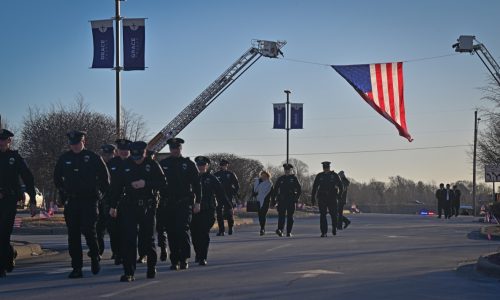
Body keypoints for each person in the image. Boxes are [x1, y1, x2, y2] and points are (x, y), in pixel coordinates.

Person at [54, 130, 110, 278]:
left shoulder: (93, 157)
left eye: (77, 143)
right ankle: (76, 267)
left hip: (89, 200)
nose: (75, 146)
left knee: (89, 231)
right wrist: (63, 192)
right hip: (72, 201)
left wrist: (99, 195)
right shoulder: (65, 158)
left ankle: (95, 256)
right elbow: (57, 178)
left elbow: (105, 179)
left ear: (83, 142)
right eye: (72, 144)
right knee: (73, 236)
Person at [109, 141, 166, 282]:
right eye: (134, 156)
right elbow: (116, 186)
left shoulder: (152, 165)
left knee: (148, 239)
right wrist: (113, 205)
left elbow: (163, 183)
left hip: (148, 206)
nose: (137, 159)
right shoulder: (125, 165)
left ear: (144, 152)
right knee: (128, 239)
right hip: (129, 206)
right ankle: (129, 272)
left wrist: (146, 184)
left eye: (139, 156)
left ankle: (151, 267)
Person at [158, 138, 201, 271]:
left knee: (182, 230)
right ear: (170, 149)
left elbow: (197, 184)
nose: (175, 150)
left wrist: (198, 202)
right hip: (168, 203)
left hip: (184, 202)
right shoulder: (163, 164)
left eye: (177, 148)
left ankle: (184, 258)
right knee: (171, 232)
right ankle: (174, 259)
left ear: (181, 149)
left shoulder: (188, 164)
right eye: (172, 148)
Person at [0, 129, 36, 278]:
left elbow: (27, 178)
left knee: (3, 233)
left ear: (9, 141)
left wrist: (33, 200)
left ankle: (1, 267)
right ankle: (10, 254)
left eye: (4, 140)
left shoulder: (15, 158)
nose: (1, 143)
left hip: (9, 200)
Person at [191, 156, 231, 265]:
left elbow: (221, 193)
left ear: (207, 166)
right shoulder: (191, 177)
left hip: (208, 210)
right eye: (199, 165)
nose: (201, 167)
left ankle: (203, 257)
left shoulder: (212, 178)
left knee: (203, 233)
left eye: (203, 165)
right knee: (194, 234)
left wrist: (228, 206)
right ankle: (198, 254)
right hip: (194, 210)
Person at [104, 139, 131, 265]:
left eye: (126, 150)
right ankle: (117, 253)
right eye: (121, 150)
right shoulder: (111, 164)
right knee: (114, 230)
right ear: (117, 151)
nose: (124, 152)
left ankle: (127, 254)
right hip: (112, 201)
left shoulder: (134, 163)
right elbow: (105, 182)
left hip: (130, 201)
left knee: (128, 230)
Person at [311, 161, 343, 237]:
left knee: (334, 214)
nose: (326, 169)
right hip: (322, 197)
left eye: (327, 168)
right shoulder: (319, 176)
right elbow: (314, 187)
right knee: (323, 215)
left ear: (329, 168)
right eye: (324, 168)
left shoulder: (334, 175)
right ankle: (324, 232)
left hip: (332, 197)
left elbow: (341, 187)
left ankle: (334, 227)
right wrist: (313, 197)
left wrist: (339, 195)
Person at [96, 144, 116, 259]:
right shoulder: (97, 165)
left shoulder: (117, 165)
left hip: (112, 201)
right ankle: (99, 250)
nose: (107, 157)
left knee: (113, 229)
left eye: (110, 154)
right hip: (100, 200)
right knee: (99, 228)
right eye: (105, 154)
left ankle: (116, 251)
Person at [272, 164, 301, 237]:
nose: (287, 171)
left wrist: (296, 198)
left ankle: (288, 232)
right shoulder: (281, 179)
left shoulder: (294, 178)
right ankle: (280, 230)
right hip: (282, 200)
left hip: (291, 200)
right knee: (281, 215)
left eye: (288, 170)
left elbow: (299, 189)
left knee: (290, 216)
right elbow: (275, 190)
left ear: (291, 170)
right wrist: (273, 200)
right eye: (285, 170)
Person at [213, 159, 239, 236]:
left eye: (224, 165)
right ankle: (221, 230)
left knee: (229, 213)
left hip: (229, 196)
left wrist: (234, 192)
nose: (223, 166)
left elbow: (237, 185)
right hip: (218, 196)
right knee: (219, 213)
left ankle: (230, 228)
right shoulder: (216, 174)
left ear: (227, 165)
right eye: (221, 165)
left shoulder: (231, 174)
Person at [252, 170, 273, 236]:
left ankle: (262, 228)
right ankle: (262, 227)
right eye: (262, 176)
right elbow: (254, 191)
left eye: (265, 176)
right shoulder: (257, 182)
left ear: (268, 176)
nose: (263, 177)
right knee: (260, 215)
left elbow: (272, 193)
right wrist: (257, 184)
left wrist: (273, 201)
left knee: (263, 214)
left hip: (266, 201)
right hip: (258, 201)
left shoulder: (270, 183)